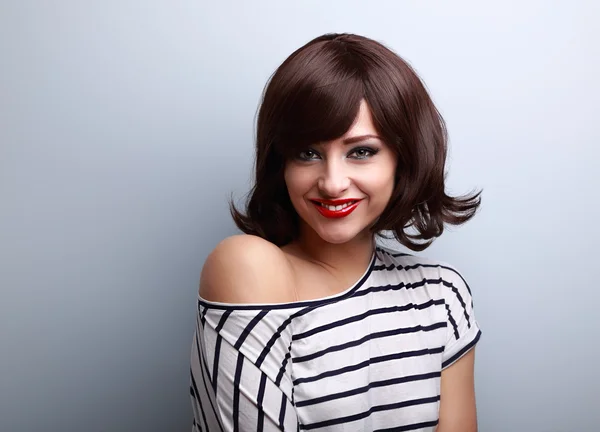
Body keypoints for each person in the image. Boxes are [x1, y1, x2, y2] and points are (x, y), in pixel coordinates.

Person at [190, 32, 482, 432]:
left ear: (404, 157)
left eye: (361, 151)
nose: (332, 182)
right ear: (281, 164)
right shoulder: (248, 269)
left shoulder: (442, 296)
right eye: (307, 153)